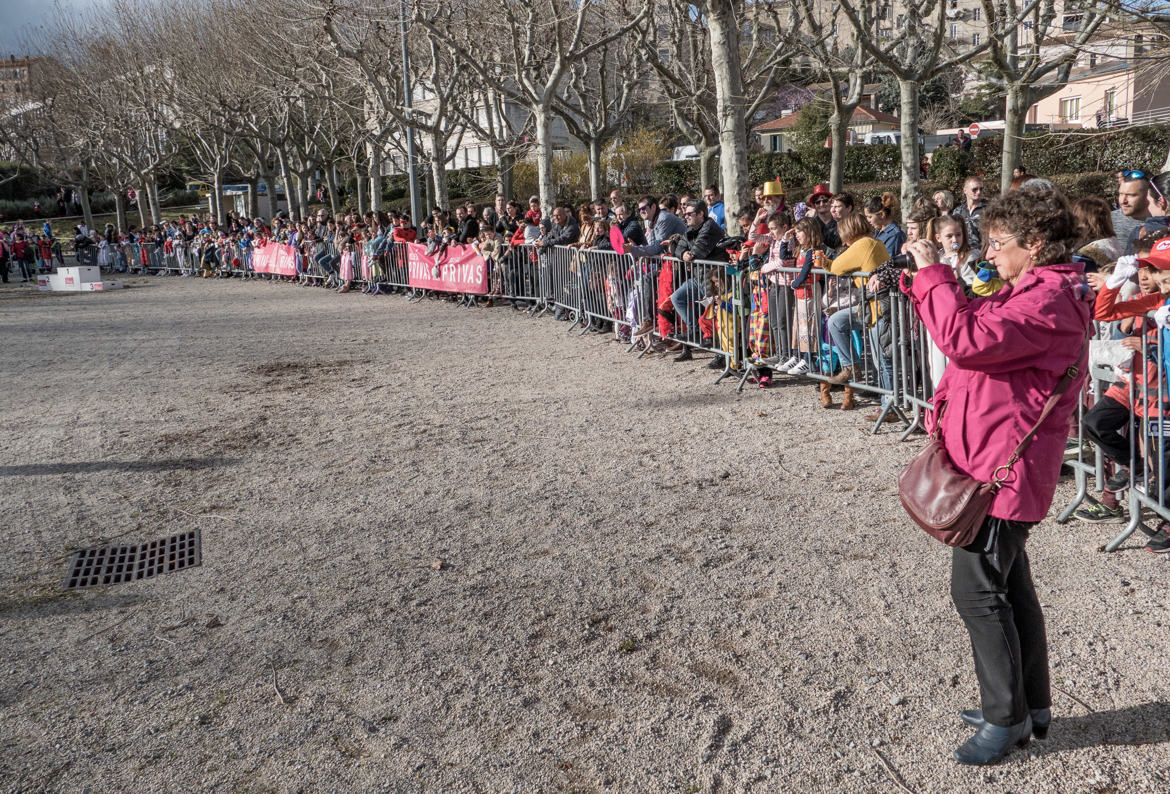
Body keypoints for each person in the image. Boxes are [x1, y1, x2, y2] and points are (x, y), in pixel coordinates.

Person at [901, 187, 1093, 766]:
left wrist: (934, 275)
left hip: (1002, 471)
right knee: (1011, 589)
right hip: (995, 461)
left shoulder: (1048, 301)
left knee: (978, 592)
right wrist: (937, 284)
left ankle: (1004, 718)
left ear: (1035, 246)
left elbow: (965, 340)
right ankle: (1030, 707)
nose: (991, 254)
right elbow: (971, 329)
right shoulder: (1035, 291)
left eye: (1000, 244)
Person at [668, 199, 727, 362]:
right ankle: (695, 333)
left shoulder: (710, 227)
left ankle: (722, 354)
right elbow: (680, 247)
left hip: (713, 279)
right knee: (677, 297)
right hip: (697, 277)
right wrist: (682, 254)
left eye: (689, 214)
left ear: (701, 213)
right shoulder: (689, 228)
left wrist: (687, 253)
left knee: (715, 315)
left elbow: (699, 250)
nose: (685, 216)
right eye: (685, 213)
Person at [1112, 171, 1152, 251]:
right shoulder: (1107, 221)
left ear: (1148, 195)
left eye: (1131, 195)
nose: (1123, 201)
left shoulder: (1162, 225)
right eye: (1121, 194)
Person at [864, 192, 905, 259]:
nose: (868, 220)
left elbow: (888, 261)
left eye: (870, 217)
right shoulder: (878, 230)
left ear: (882, 214)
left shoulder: (895, 235)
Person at [953, 177, 987, 254]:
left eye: (981, 189)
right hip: (963, 253)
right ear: (965, 190)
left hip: (983, 254)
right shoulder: (958, 211)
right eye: (974, 189)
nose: (978, 192)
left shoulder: (990, 209)